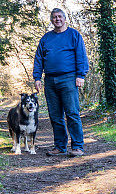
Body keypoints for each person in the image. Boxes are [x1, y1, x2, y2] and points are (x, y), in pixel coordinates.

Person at [33, 8, 89, 157]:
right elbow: (39, 59)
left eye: (59, 17)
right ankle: (60, 146)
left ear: (65, 19)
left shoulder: (74, 35)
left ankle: (77, 146)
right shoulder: (46, 38)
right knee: (55, 115)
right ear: (51, 20)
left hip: (69, 78)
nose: (57, 19)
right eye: (54, 17)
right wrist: (37, 78)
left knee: (72, 113)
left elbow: (81, 55)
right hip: (50, 80)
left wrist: (80, 75)